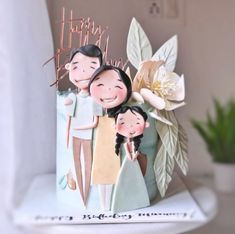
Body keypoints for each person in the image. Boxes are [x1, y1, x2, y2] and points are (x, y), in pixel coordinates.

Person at [88, 65, 132, 211]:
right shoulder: (96, 108)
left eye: (116, 85)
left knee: (113, 174)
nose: (108, 90)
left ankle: (111, 204)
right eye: (100, 84)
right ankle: (103, 206)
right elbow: (92, 122)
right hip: (100, 146)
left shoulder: (123, 113)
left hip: (114, 147)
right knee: (101, 175)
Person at [64, 44, 103, 205]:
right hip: (75, 137)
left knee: (88, 164)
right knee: (76, 163)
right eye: (76, 66)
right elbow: (68, 122)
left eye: (92, 67)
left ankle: (86, 193)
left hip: (87, 137)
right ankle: (81, 194)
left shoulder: (96, 100)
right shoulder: (72, 99)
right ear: (68, 68)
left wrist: (78, 128)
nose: (84, 72)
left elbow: (95, 123)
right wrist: (67, 138)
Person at [111, 106, 150, 212]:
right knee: (127, 181)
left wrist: (135, 154)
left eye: (137, 123)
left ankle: (138, 200)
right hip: (129, 163)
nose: (131, 127)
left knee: (136, 181)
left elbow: (134, 152)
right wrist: (133, 156)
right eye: (123, 123)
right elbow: (129, 154)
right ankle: (124, 202)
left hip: (133, 162)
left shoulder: (134, 143)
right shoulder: (126, 144)